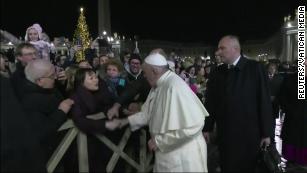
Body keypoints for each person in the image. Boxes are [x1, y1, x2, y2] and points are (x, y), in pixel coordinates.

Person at [114, 52, 209, 172]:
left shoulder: (175, 86)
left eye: (146, 73)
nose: (144, 76)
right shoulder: (158, 85)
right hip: (168, 156)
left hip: (183, 157)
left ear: (154, 71)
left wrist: (159, 141)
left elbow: (194, 125)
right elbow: (148, 113)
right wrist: (124, 121)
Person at [203, 35, 274, 171]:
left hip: (249, 136)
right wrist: (207, 127)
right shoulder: (217, 72)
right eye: (218, 49)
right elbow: (211, 102)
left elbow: (264, 101)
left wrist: (266, 133)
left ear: (235, 49)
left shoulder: (255, 68)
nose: (217, 52)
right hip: (225, 135)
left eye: (222, 48)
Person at [21, 59, 74, 163]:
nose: (55, 77)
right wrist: (61, 111)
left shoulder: (46, 88)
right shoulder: (31, 101)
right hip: (50, 156)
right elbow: (42, 131)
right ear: (39, 81)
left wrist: (62, 85)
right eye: (51, 76)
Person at [279, 58, 307, 167]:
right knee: (291, 154)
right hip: (293, 119)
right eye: (303, 65)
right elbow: (282, 97)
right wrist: (290, 110)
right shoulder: (290, 79)